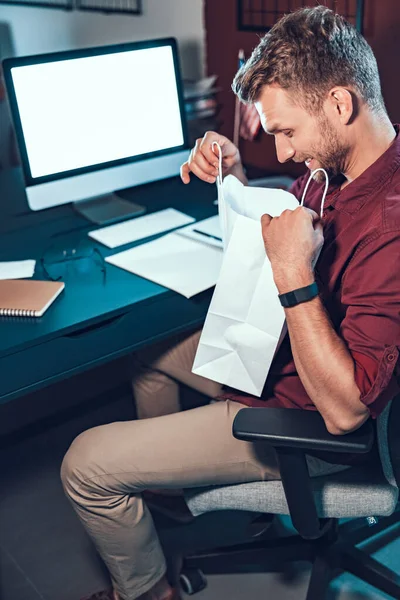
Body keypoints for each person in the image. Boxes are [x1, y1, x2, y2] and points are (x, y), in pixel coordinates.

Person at [61, 7, 400, 600]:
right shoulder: (343, 167)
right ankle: (167, 489)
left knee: (85, 465)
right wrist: (236, 178)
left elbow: (347, 413)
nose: (286, 152)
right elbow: (293, 214)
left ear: (341, 104)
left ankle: (145, 592)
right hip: (271, 356)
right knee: (149, 355)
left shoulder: (391, 224)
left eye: (287, 132)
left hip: (305, 417)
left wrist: (293, 273)